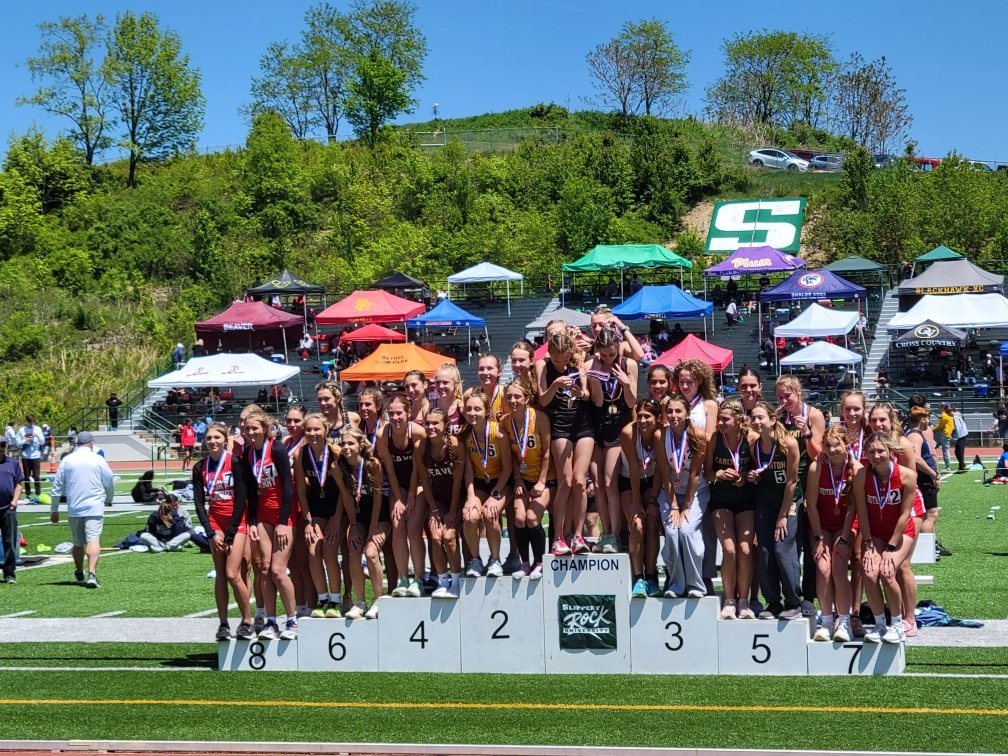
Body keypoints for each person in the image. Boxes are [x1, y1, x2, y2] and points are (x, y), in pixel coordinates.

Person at [852, 432, 917, 644]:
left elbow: (905, 514)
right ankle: (880, 624)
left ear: (890, 451)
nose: (876, 456)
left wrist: (890, 547)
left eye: (881, 451)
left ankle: (897, 624)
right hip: (875, 534)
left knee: (887, 572)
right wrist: (869, 544)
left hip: (900, 533)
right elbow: (862, 513)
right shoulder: (861, 476)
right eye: (871, 452)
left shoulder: (907, 476)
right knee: (870, 574)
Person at [193, 422, 254, 641]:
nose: (213, 442)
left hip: (236, 522)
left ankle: (247, 621)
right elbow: (199, 503)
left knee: (232, 573)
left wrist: (230, 533)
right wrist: (210, 532)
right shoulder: (200, 467)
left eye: (217, 437)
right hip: (215, 522)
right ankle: (223, 624)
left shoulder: (235, 462)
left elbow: (242, 498)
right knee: (220, 574)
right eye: (209, 438)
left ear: (225, 439)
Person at [243, 410, 299, 640]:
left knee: (278, 570)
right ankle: (271, 621)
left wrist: (284, 522)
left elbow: (288, 486)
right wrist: (252, 521)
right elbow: (251, 491)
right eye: (247, 428)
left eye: (255, 427)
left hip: (283, 513)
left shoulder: (276, 449)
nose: (251, 432)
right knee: (264, 569)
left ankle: (292, 620)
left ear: (264, 428)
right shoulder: (247, 453)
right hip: (262, 514)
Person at [537, 330, 593, 556]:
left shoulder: (577, 362)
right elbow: (543, 399)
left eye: (564, 360)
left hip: (582, 424)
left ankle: (578, 535)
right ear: (550, 353)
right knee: (566, 482)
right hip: (560, 425)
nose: (561, 365)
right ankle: (558, 537)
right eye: (556, 360)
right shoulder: (543, 366)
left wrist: (580, 392)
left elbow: (587, 394)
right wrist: (555, 385)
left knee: (580, 482)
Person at [805, 425, 861, 642]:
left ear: (847, 444)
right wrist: (819, 538)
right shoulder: (817, 467)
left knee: (838, 568)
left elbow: (853, 508)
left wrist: (845, 538)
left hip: (846, 524)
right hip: (822, 525)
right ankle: (827, 622)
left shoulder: (856, 468)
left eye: (836, 445)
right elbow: (811, 505)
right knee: (823, 568)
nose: (832, 450)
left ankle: (844, 623)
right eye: (827, 445)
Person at [747, 401, 802, 620]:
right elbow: (760, 473)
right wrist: (753, 476)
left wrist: (782, 515)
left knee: (782, 548)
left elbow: (792, 482)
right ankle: (772, 602)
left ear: (772, 419)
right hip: (766, 500)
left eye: (761, 417)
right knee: (765, 550)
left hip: (789, 501)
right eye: (753, 418)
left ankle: (794, 601)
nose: (756, 421)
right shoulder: (754, 446)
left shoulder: (789, 444)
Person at [587, 327, 638, 555]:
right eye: (603, 354)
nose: (608, 358)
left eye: (612, 353)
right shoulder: (591, 365)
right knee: (598, 485)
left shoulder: (629, 364)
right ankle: (606, 533)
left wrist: (625, 383)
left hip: (619, 428)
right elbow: (597, 402)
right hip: (597, 427)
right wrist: (596, 379)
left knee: (609, 483)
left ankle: (615, 535)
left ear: (618, 348)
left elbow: (631, 401)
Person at [705, 398, 756, 619]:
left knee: (745, 550)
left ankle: (743, 600)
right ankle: (729, 600)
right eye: (719, 419)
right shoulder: (714, 439)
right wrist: (718, 473)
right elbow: (707, 472)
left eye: (725, 419)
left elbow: (759, 469)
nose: (720, 423)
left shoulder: (751, 438)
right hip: (721, 500)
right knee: (729, 549)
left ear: (738, 419)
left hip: (746, 500)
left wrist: (745, 476)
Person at [656, 395, 708, 598]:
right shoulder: (661, 435)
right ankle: (676, 584)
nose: (673, 415)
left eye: (678, 411)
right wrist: (674, 506)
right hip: (670, 493)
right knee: (671, 533)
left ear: (687, 413)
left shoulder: (698, 435)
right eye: (669, 411)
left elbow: (694, 474)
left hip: (695, 492)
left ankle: (695, 585)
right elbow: (664, 472)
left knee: (686, 531)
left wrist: (685, 506)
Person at [334, 426, 387, 619]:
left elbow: (378, 497)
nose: (346, 447)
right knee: (353, 551)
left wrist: (373, 528)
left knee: (371, 553)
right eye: (343, 443)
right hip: (359, 515)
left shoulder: (372, 464)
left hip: (380, 513)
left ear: (360, 445)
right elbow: (347, 497)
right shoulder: (338, 467)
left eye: (350, 443)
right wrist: (354, 526)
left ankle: (379, 600)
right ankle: (360, 602)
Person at [49, 431, 115, 588]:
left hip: (74, 506)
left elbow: (57, 486)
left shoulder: (67, 460)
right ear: (91, 443)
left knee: (78, 542)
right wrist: (109, 498)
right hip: (94, 505)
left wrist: (54, 509)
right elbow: (109, 481)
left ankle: (79, 571)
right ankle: (92, 573)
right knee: (93, 540)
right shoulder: (98, 459)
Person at [294, 413, 344, 619]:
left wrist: (337, 519)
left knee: (330, 552)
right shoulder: (300, 454)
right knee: (313, 551)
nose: (312, 433)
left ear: (326, 430)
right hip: (316, 510)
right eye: (308, 429)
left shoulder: (337, 452)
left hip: (338, 509)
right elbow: (300, 490)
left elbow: (345, 490)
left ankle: (336, 600)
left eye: (317, 429)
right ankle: (323, 599)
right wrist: (307, 521)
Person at [502, 381, 552, 578]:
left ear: (526, 398)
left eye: (517, 396)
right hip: (522, 478)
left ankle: (540, 562)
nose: (513, 400)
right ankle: (524, 563)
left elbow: (547, 452)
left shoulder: (539, 418)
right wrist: (518, 479)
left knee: (532, 517)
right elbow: (512, 456)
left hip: (545, 478)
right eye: (509, 397)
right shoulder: (506, 421)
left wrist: (541, 481)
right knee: (520, 518)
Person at [378, 395, 427, 597]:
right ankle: (402, 577)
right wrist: (398, 498)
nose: (395, 417)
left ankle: (419, 579)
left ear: (408, 414)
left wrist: (412, 497)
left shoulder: (417, 432)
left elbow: (418, 467)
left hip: (420, 483)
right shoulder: (383, 434)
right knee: (398, 526)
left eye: (399, 413)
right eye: (391, 413)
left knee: (414, 528)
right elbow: (389, 468)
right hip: (398, 484)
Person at [461, 392, 513, 577]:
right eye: (469, 409)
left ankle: (495, 560)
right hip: (480, 482)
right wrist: (470, 496)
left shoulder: (498, 433)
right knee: (469, 516)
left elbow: (508, 467)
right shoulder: (465, 434)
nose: (472, 413)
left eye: (477, 409)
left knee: (490, 514)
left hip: (501, 482)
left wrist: (495, 494)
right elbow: (468, 470)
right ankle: (475, 560)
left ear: (487, 411)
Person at [419, 408, 464, 598]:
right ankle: (443, 581)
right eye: (427, 423)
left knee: (449, 536)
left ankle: (456, 581)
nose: (430, 427)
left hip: (458, 499)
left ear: (445, 425)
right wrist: (435, 509)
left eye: (435, 423)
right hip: (438, 500)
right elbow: (424, 482)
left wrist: (453, 511)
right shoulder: (422, 446)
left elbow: (458, 483)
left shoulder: (455, 445)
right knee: (436, 537)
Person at [621, 399, 662, 597]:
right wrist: (636, 502)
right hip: (629, 480)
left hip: (653, 479)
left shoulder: (661, 433)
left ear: (658, 418)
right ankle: (638, 578)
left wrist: (653, 501)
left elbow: (661, 468)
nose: (643, 421)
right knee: (637, 525)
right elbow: (634, 468)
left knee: (653, 522)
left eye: (648, 416)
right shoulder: (628, 433)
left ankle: (652, 576)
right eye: (640, 416)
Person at [0, 442, 24, 583]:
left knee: (9, 541)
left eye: (3, 446)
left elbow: (19, 484)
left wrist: (14, 501)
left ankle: (9, 573)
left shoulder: (12, 463)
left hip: (8, 507)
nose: (1, 448)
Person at [16, 416, 46, 502]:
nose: (31, 424)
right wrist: (25, 440)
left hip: (36, 456)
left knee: (36, 476)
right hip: (26, 456)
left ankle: (38, 494)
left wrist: (37, 436)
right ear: (27, 421)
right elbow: (17, 443)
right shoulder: (21, 430)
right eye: (29, 422)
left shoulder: (38, 429)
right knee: (26, 477)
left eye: (32, 422)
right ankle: (28, 494)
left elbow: (43, 442)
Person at [932, 403, 954, 471]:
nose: (938, 409)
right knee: (942, 449)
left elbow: (940, 426)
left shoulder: (944, 415)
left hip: (944, 434)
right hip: (946, 434)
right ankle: (947, 466)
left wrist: (932, 429)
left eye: (939, 407)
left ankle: (948, 467)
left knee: (945, 451)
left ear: (943, 408)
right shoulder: (948, 414)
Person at [951, 406, 969, 472]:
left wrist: (955, 438)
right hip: (962, 435)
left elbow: (958, 427)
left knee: (959, 452)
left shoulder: (955, 417)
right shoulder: (958, 415)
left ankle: (962, 466)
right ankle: (962, 465)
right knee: (958, 452)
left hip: (961, 436)